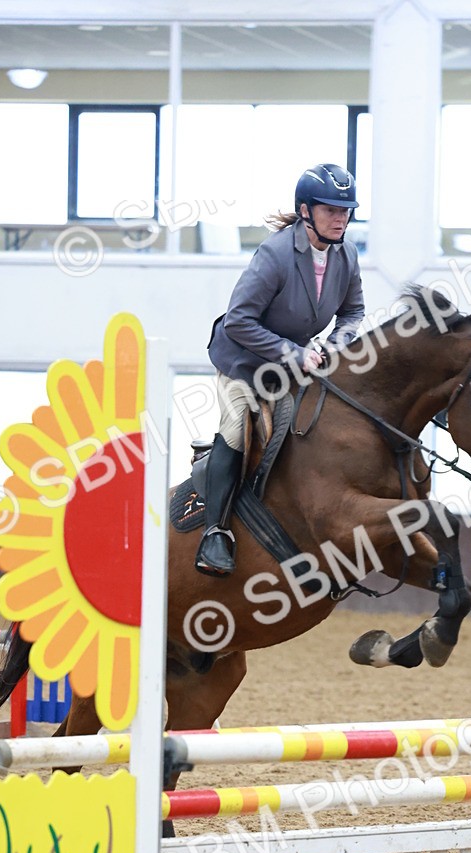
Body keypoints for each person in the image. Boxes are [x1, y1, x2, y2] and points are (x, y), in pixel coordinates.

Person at [198, 163, 365, 575]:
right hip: (243, 362)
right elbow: (238, 320)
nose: (340, 218)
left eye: (346, 210)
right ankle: (215, 533)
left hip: (297, 362)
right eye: (330, 210)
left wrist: (334, 345)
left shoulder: (347, 254)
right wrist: (295, 353)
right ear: (305, 211)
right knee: (238, 427)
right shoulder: (275, 253)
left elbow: (353, 311)